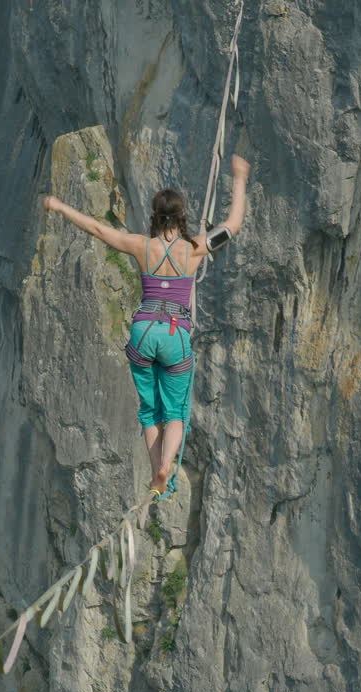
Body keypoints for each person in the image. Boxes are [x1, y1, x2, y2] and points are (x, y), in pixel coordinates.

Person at [42, 154, 250, 500]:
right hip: (174, 335)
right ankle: (167, 466)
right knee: (177, 412)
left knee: (149, 411)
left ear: (155, 215)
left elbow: (97, 229)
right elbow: (233, 223)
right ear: (182, 216)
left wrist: (60, 206)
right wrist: (239, 178)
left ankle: (156, 472)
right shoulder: (194, 248)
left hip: (142, 332)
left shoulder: (141, 246)